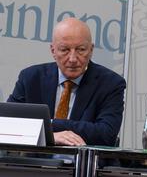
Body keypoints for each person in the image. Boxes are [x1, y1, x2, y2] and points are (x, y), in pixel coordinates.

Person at [8, 18, 126, 147]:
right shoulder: (30, 78)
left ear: (91, 50)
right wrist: (50, 136)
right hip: (36, 163)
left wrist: (51, 124)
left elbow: (106, 134)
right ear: (53, 50)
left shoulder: (111, 83)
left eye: (81, 49)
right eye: (64, 50)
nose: (73, 59)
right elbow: (7, 126)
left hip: (82, 164)